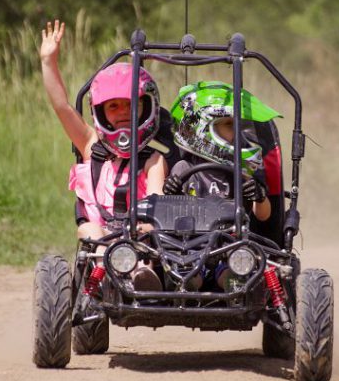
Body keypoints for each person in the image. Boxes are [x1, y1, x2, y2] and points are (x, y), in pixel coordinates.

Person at [39, 19, 165, 291]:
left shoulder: (154, 160)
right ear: (101, 113)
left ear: (145, 109)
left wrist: (139, 230)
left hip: (139, 235)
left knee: (148, 238)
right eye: (113, 106)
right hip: (99, 234)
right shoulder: (90, 144)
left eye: (130, 105)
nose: (121, 112)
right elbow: (61, 107)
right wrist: (49, 62)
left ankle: (141, 275)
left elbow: (156, 205)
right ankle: (106, 277)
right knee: (92, 233)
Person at [163, 81, 279, 288]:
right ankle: (188, 282)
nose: (237, 133)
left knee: (234, 264)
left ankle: (231, 284)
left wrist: (259, 196)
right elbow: (167, 221)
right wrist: (169, 194)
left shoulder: (244, 169)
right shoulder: (183, 168)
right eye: (228, 125)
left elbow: (264, 215)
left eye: (236, 124)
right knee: (183, 265)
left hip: (231, 247)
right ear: (203, 129)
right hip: (189, 246)